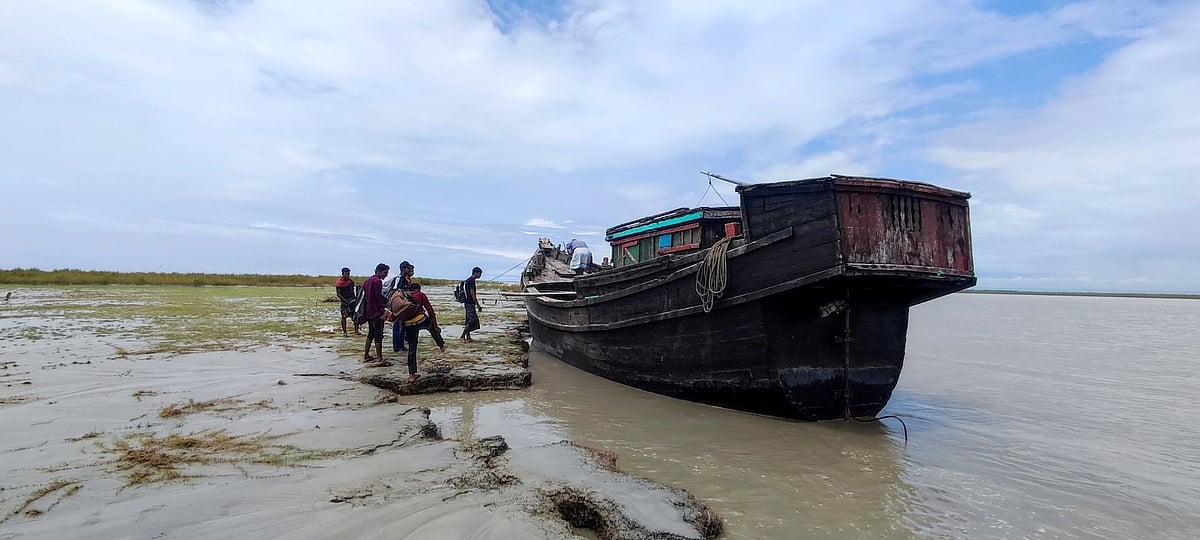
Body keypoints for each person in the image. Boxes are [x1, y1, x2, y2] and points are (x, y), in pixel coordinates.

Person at [398, 282, 446, 383]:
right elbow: (430, 311)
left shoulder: (402, 298)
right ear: (417, 289)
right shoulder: (421, 295)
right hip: (420, 319)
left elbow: (395, 314)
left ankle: (411, 375)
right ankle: (441, 345)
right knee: (432, 327)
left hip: (407, 325)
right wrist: (436, 326)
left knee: (412, 348)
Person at [383, 261, 415, 353]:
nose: (410, 270)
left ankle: (401, 345)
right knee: (397, 326)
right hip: (398, 305)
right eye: (408, 268)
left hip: (403, 305)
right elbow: (395, 291)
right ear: (403, 268)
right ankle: (397, 347)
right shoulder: (399, 279)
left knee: (402, 325)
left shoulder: (405, 279)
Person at [362, 263, 389, 366]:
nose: (385, 275)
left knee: (371, 334)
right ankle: (379, 357)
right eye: (385, 273)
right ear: (378, 271)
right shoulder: (377, 281)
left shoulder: (367, 281)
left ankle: (366, 355)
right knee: (378, 335)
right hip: (376, 312)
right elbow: (378, 297)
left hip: (368, 311)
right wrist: (383, 310)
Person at [459, 267, 483, 342]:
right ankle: (463, 336)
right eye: (480, 273)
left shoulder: (467, 280)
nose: (480, 275)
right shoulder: (471, 281)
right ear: (476, 273)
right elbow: (472, 294)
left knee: (468, 320)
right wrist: (477, 304)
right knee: (472, 320)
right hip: (470, 303)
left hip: (466, 302)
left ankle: (468, 336)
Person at [335, 267, 360, 336]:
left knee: (355, 315)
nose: (347, 275)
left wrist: (354, 299)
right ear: (342, 274)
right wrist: (345, 301)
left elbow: (352, 291)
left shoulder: (350, 281)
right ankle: (345, 332)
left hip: (352, 300)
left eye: (348, 273)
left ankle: (356, 330)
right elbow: (338, 294)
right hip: (344, 301)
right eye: (346, 273)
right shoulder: (339, 282)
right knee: (344, 316)